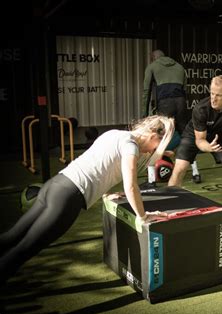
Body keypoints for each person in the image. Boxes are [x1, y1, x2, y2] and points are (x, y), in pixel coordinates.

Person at [0, 115, 175, 284]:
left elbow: (100, 166)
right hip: (68, 197)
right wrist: (143, 216)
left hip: (55, 185)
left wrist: (104, 193)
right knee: (24, 249)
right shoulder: (131, 146)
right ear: (153, 135)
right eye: (156, 146)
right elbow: (131, 186)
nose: (153, 151)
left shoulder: (115, 134)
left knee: (12, 237)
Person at [168, 75, 222, 224]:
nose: (213, 98)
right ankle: (170, 207)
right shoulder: (201, 108)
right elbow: (200, 141)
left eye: (218, 95)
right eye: (212, 93)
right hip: (194, 135)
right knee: (179, 169)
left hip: (219, 136)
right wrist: (209, 147)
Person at [142, 49, 201, 183]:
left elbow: (146, 91)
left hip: (165, 104)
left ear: (153, 58)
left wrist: (144, 115)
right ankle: (196, 173)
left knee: (157, 136)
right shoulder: (180, 67)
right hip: (180, 102)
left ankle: (151, 180)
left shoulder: (152, 66)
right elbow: (185, 89)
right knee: (187, 137)